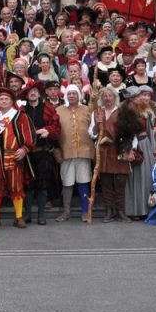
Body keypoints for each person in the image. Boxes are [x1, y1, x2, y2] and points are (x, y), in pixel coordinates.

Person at [0, 86, 36, 228]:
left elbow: (29, 135)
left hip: (15, 157)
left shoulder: (20, 116)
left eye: (6, 99)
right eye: (1, 99)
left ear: (11, 101)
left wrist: (25, 149)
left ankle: (19, 217)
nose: (3, 101)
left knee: (17, 187)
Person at [91, 86, 134, 222]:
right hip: (104, 150)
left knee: (120, 182)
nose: (107, 98)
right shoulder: (97, 112)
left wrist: (131, 149)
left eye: (110, 96)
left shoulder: (122, 112)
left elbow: (131, 132)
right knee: (106, 182)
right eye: (105, 96)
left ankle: (120, 211)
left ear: (115, 98)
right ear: (101, 98)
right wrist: (97, 125)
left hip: (120, 148)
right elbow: (92, 133)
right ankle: (109, 211)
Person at [124, 86, 156, 219]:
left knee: (147, 175)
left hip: (147, 144)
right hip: (133, 143)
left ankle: (148, 207)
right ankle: (135, 209)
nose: (145, 98)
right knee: (134, 177)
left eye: (148, 95)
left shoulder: (152, 108)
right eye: (142, 95)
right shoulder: (126, 110)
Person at [22, 81, 61, 225]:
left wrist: (48, 131)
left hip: (43, 151)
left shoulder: (48, 108)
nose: (32, 93)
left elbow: (56, 127)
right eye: (30, 91)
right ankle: (27, 215)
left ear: (39, 93)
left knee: (43, 185)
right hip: (26, 152)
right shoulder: (22, 110)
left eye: (35, 91)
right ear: (26, 95)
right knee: (28, 184)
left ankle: (41, 215)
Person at [56, 83, 93, 221]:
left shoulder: (88, 109)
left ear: (79, 95)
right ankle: (66, 211)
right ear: (66, 95)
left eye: (74, 93)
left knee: (84, 181)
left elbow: (94, 128)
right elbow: (54, 131)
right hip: (66, 151)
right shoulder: (58, 110)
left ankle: (85, 211)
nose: (72, 96)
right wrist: (56, 150)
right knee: (67, 182)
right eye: (69, 93)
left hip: (84, 150)